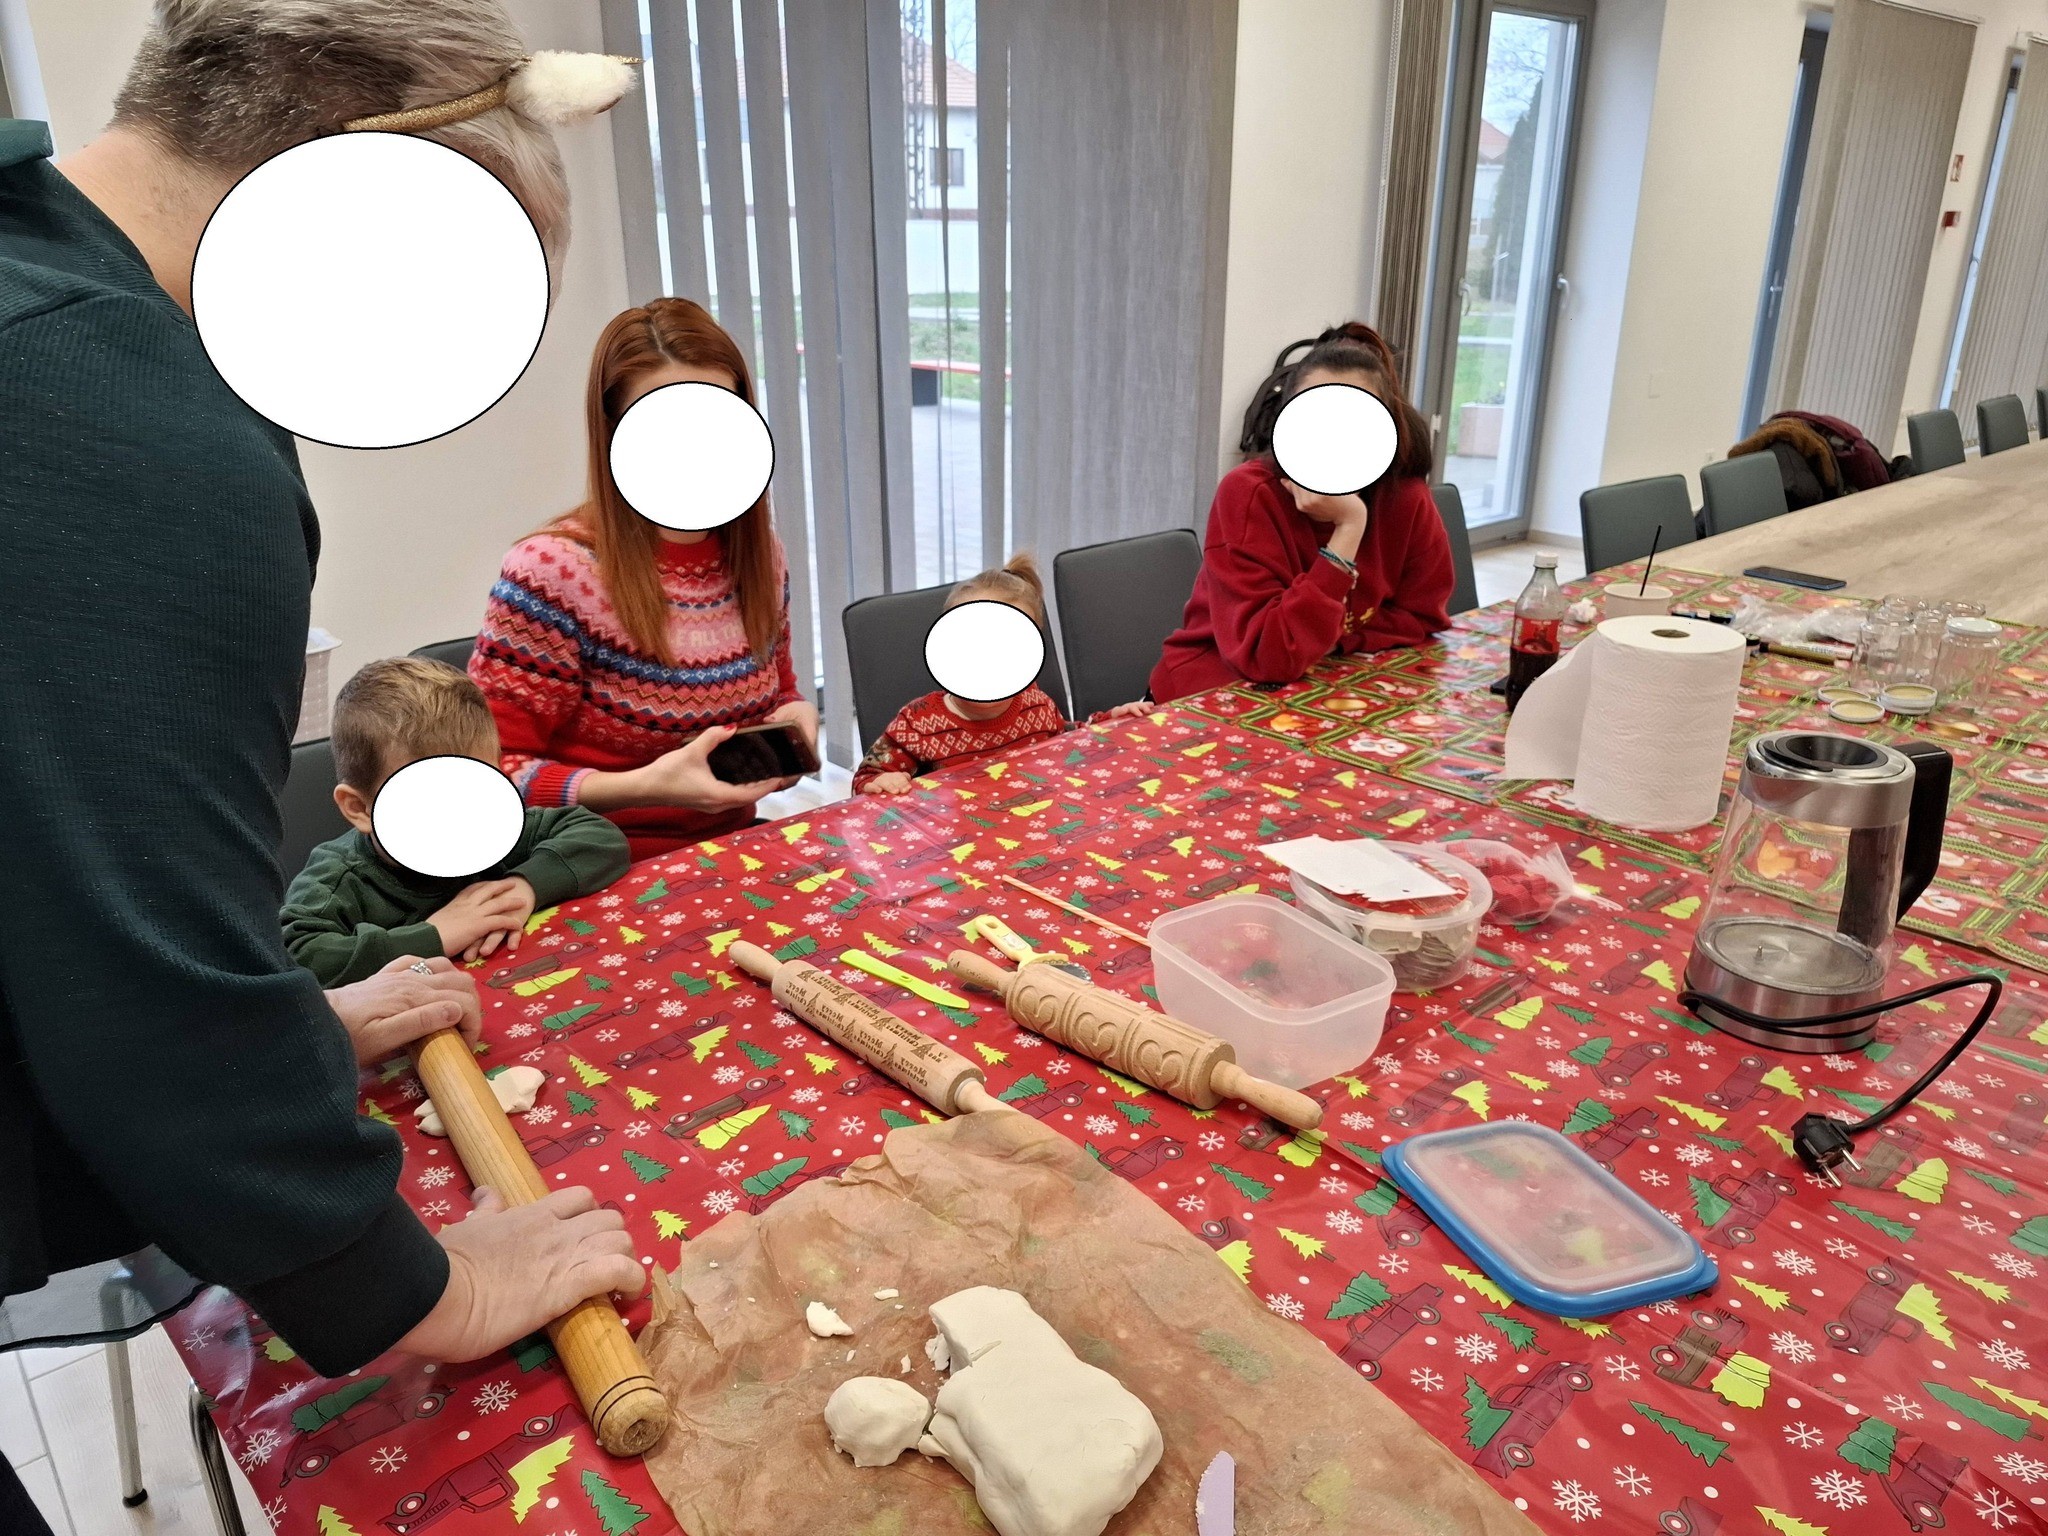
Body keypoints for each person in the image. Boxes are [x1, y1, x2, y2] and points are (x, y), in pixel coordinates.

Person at [0, 11, 644, 1517]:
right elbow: (141, 970)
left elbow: (44, 869)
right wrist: (412, 1283)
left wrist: (294, 1026)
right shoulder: (129, 427)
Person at [471, 297, 820, 861]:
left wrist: (796, 717)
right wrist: (642, 787)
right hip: (587, 865)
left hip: (729, 850)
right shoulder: (552, 574)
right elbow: (488, 775)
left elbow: (780, 691)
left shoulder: (759, 555)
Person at [1148, 323, 1453, 703]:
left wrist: (1330, 639)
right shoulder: (1249, 493)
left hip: (1329, 682)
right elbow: (1270, 656)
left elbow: (1423, 617)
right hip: (1212, 688)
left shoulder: (1406, 495)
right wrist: (1349, 526)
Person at [284, 658, 631, 985]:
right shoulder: (335, 881)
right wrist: (435, 936)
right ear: (360, 808)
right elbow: (297, 958)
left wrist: (523, 888)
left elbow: (600, 836)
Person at [854, 554, 1147, 794]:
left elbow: (1067, 736)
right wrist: (878, 782)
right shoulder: (918, 723)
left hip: (1030, 822)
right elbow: (865, 780)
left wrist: (1110, 720)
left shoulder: (1036, 705)